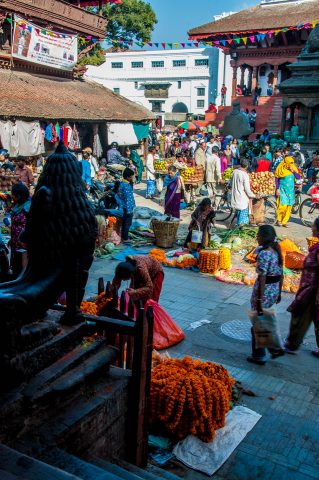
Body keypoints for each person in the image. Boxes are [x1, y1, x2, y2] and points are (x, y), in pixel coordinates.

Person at [247, 225, 284, 365]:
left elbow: (262, 277)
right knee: (262, 321)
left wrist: (259, 298)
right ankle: (272, 349)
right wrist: (279, 292)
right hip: (273, 290)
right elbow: (281, 275)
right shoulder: (277, 251)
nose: (257, 237)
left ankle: (261, 354)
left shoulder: (264, 254)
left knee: (258, 323)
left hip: (264, 291)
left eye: (258, 235)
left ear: (264, 237)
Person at [284, 219, 319, 358]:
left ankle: (292, 344)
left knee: (300, 314)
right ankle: (292, 343)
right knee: (310, 316)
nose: (312, 228)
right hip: (309, 287)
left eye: (314, 225)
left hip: (312, 289)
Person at [9, 182, 31, 276]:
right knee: (16, 266)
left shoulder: (28, 207)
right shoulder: (17, 205)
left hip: (24, 244)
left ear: (18, 196)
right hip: (15, 242)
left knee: (22, 268)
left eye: (13, 194)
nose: (11, 196)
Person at [275, 156, 300, 227]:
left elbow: (298, 177)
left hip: (291, 191)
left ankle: (284, 221)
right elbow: (276, 179)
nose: (291, 164)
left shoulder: (293, 168)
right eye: (290, 163)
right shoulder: (280, 168)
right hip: (282, 189)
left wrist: (293, 171)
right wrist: (277, 188)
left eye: (292, 163)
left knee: (289, 206)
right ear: (285, 162)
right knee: (282, 205)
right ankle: (279, 220)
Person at [231, 158, 256, 226]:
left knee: (238, 214)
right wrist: (255, 195)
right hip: (242, 200)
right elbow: (247, 190)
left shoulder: (235, 171)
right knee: (243, 221)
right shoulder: (245, 175)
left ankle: (238, 227)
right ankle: (240, 229)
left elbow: (231, 183)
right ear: (247, 166)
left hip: (235, 197)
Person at [119, 167, 135, 243]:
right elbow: (127, 198)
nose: (132, 178)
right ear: (128, 177)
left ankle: (124, 237)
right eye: (131, 176)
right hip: (127, 208)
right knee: (127, 223)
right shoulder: (126, 186)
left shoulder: (124, 184)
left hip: (125, 207)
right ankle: (125, 238)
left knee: (125, 222)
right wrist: (129, 210)